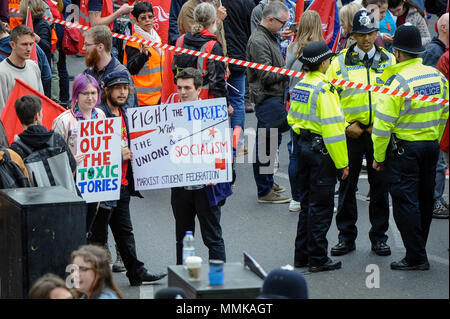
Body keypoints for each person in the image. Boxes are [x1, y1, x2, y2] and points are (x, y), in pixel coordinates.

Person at [372, 24, 449, 271]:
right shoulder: (435, 75)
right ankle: (419, 248)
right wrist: (434, 138)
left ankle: (416, 256)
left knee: (405, 203)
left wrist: (378, 156)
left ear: (397, 52)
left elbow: (383, 125)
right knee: (425, 200)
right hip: (430, 146)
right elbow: (444, 112)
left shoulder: (397, 80)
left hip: (405, 150)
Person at [327, 9, 395, 258]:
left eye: (370, 33)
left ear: (376, 33)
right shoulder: (339, 62)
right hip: (351, 134)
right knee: (346, 186)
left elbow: (394, 99)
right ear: (353, 34)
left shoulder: (389, 61)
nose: (366, 39)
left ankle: (379, 238)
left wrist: (381, 127)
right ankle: (346, 237)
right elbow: (331, 99)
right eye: (361, 34)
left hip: (378, 134)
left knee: (380, 187)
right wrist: (345, 126)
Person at [91, 70, 168, 285]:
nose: (123, 92)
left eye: (125, 88)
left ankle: (136, 272)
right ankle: (94, 279)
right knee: (97, 235)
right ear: (106, 90)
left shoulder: (125, 112)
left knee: (125, 232)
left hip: (122, 184)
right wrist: (118, 155)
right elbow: (93, 154)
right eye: (118, 88)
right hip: (104, 185)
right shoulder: (99, 115)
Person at [287, 41, 349, 272]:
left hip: (303, 146)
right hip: (321, 151)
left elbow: (292, 119)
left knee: (306, 204)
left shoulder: (302, 85)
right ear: (324, 62)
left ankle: (302, 255)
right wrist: (343, 163)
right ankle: (318, 259)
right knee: (320, 207)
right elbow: (333, 130)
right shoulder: (325, 89)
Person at [171, 67, 232, 265]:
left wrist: (219, 173)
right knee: (183, 240)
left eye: (187, 88)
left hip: (207, 188)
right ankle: (183, 281)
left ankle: (218, 283)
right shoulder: (169, 114)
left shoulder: (214, 114)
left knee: (212, 238)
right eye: (179, 87)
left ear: (199, 90)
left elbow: (225, 150)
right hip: (181, 190)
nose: (182, 92)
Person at [247, 2, 291, 204]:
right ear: (270, 19)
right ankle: (264, 190)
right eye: (282, 22)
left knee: (271, 144)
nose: (284, 26)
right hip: (267, 96)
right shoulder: (258, 41)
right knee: (266, 146)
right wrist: (287, 73)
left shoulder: (267, 36)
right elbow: (265, 74)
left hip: (273, 96)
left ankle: (267, 181)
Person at [52, 73, 106, 238]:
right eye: (85, 93)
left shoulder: (101, 116)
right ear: (76, 95)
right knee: (72, 230)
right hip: (72, 183)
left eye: (93, 93)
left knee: (88, 229)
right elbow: (53, 156)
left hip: (95, 180)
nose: (90, 98)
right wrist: (70, 161)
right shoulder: (63, 121)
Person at [285, 9, 324, 213]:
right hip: (317, 103)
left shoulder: (293, 48)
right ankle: (314, 196)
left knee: (295, 151)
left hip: (296, 102)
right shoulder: (322, 49)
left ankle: (296, 198)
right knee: (319, 149)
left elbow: (285, 72)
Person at [420, 13, 449, 219]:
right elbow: (428, 86)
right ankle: (435, 201)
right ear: (444, 27)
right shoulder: (435, 51)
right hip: (433, 117)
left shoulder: (440, 50)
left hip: (439, 117)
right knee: (437, 163)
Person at [173, 2, 229, 105]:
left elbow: (175, 70)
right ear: (213, 21)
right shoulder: (213, 46)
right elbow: (217, 82)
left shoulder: (180, 40)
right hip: (207, 102)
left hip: (183, 99)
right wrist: (226, 104)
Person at [221, 0, 256, 156]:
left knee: (217, 100)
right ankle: (237, 145)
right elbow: (252, 31)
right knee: (238, 101)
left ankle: (218, 145)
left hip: (220, 56)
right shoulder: (248, 4)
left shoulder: (220, 4)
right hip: (240, 57)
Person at [10, 94, 76, 172]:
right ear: (37, 116)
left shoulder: (16, 148)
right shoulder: (56, 138)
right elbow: (72, 165)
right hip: (59, 184)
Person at [83, 25, 139, 110]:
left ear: (100, 47)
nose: (83, 48)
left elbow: (127, 112)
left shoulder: (121, 74)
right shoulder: (88, 73)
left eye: (87, 45)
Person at [124, 1, 163, 106]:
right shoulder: (134, 41)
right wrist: (143, 56)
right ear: (136, 21)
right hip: (142, 100)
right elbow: (131, 69)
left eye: (150, 17)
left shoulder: (156, 38)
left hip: (158, 97)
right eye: (143, 18)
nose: (148, 20)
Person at [0, 24, 44, 114]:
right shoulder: (2, 72)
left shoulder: (33, 66)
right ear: (13, 45)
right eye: (24, 44)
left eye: (31, 44)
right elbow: (2, 111)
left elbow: (41, 101)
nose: (28, 49)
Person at [19, 0, 52, 98]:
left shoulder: (42, 24)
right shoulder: (26, 21)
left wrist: (37, 39)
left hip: (41, 66)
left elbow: (47, 47)